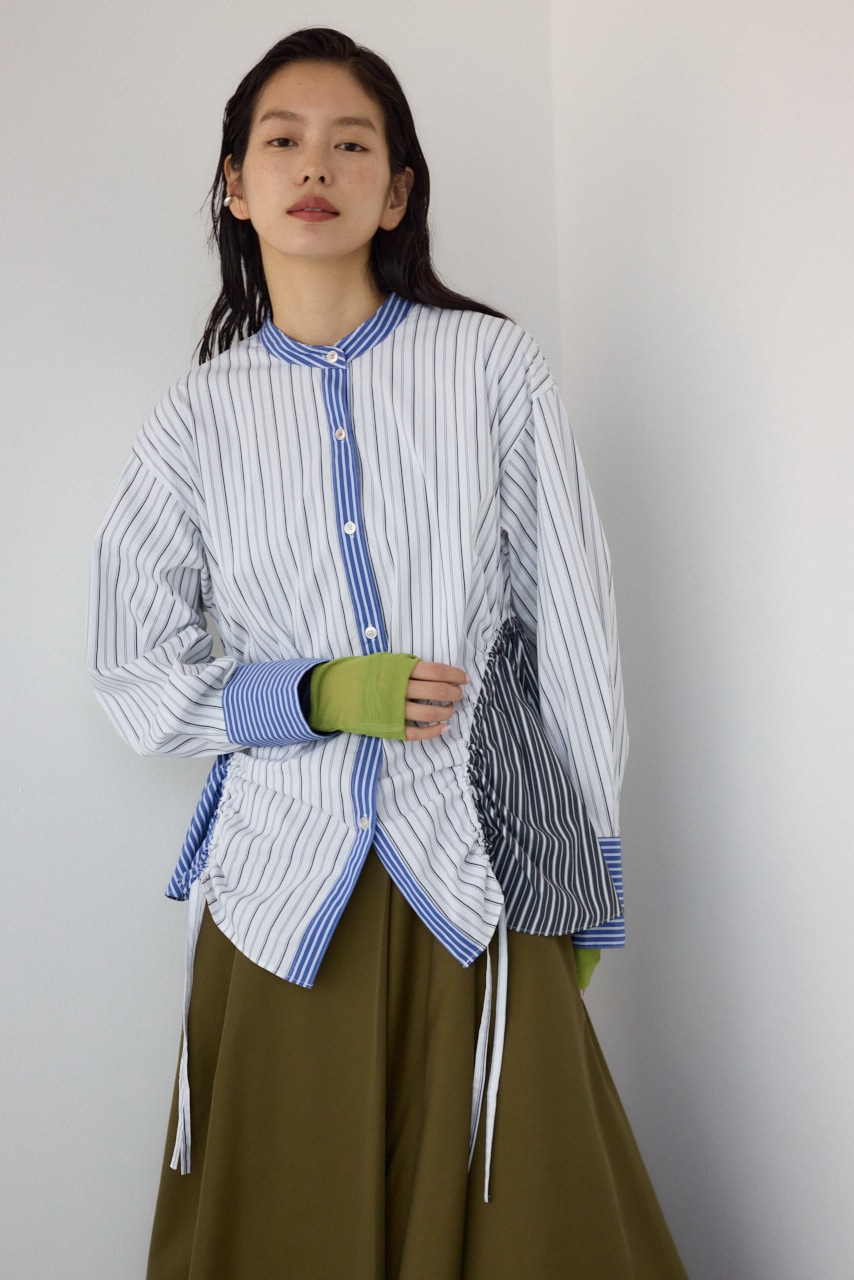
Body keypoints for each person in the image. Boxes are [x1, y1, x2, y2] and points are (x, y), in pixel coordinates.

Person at [87, 26, 688, 1280]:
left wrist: (589, 873)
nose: (316, 165)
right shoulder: (195, 421)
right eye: (282, 140)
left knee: (532, 1224)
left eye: (351, 143)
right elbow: (132, 671)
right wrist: (313, 693)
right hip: (278, 890)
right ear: (234, 184)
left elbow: (571, 624)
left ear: (397, 189)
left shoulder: (490, 366)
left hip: (472, 871)